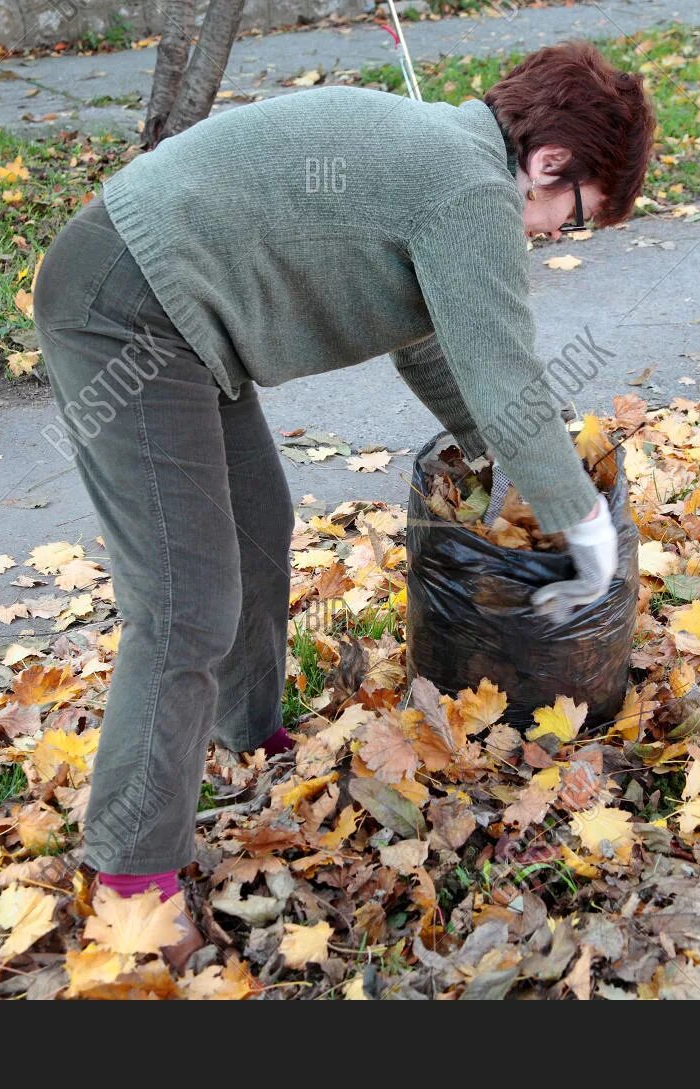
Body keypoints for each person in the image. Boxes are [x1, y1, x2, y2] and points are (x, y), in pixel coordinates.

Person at [33, 39, 654, 961]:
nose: (554, 236)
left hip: (186, 317)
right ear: (551, 163)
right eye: (571, 217)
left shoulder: (458, 162)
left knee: (257, 531)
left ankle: (251, 734)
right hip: (128, 304)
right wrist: (582, 523)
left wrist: (507, 466)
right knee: (182, 602)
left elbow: (435, 345)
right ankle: (130, 879)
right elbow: (507, 371)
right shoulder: (469, 186)